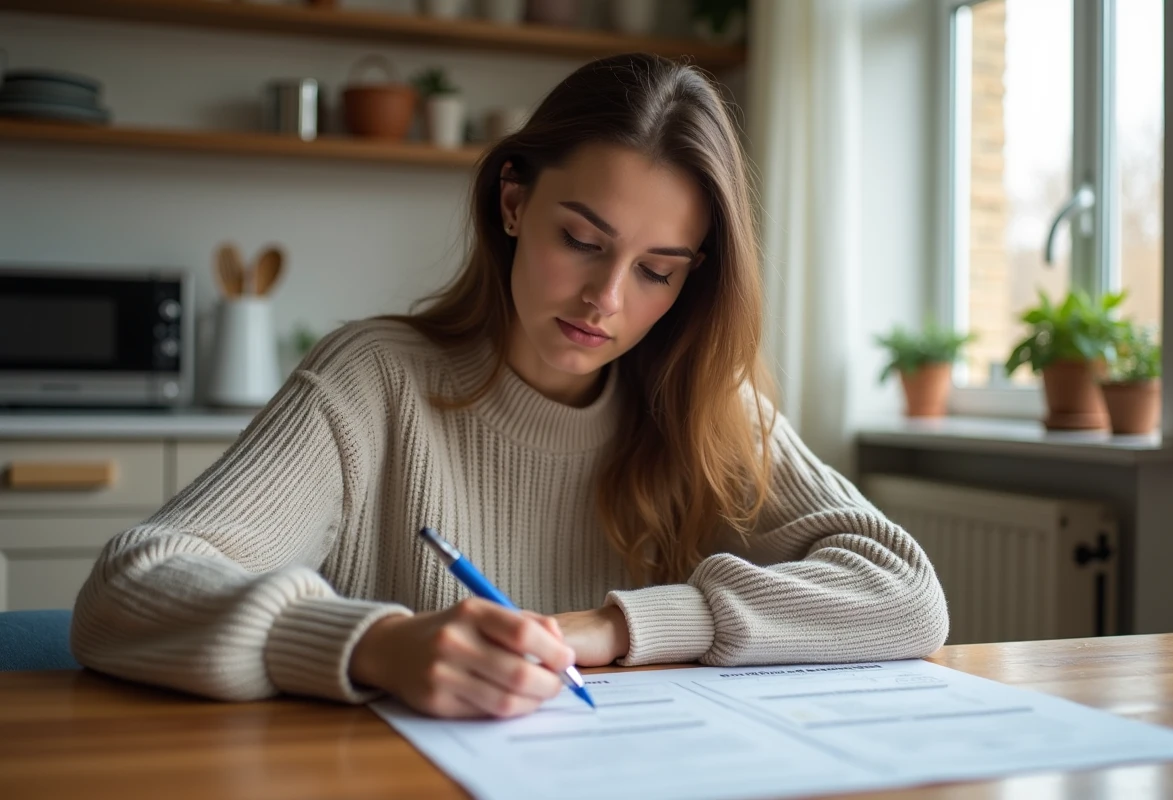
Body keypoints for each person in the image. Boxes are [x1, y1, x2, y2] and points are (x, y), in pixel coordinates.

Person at [71, 53, 949, 719]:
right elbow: (125, 593)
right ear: (514, 203)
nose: (606, 300)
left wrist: (618, 628)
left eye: (657, 270)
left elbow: (906, 595)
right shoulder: (371, 382)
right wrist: (375, 644)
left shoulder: (710, 409)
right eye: (583, 241)